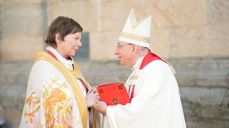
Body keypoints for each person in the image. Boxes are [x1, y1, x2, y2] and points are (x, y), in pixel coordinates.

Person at [94, 9, 186, 128]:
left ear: (133, 48)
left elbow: (142, 112)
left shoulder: (156, 69)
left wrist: (108, 110)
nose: (115, 52)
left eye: (120, 46)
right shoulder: (139, 70)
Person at [19, 16, 99, 128]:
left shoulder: (69, 65)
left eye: (80, 39)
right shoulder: (44, 68)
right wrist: (85, 103)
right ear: (58, 38)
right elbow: (56, 107)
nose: (80, 44)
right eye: (76, 38)